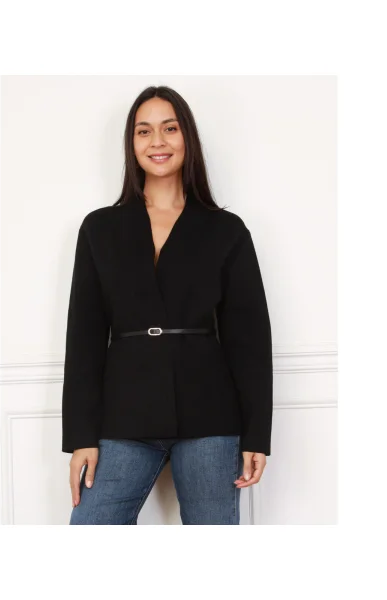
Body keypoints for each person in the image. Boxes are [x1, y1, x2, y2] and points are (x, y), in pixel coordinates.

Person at [61, 85, 273, 525]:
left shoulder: (226, 229)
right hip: (124, 414)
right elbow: (84, 338)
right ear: (131, 143)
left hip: (210, 416)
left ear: (187, 137)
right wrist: (82, 436)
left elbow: (249, 340)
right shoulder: (99, 228)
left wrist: (257, 435)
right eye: (144, 131)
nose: (157, 141)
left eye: (169, 128)